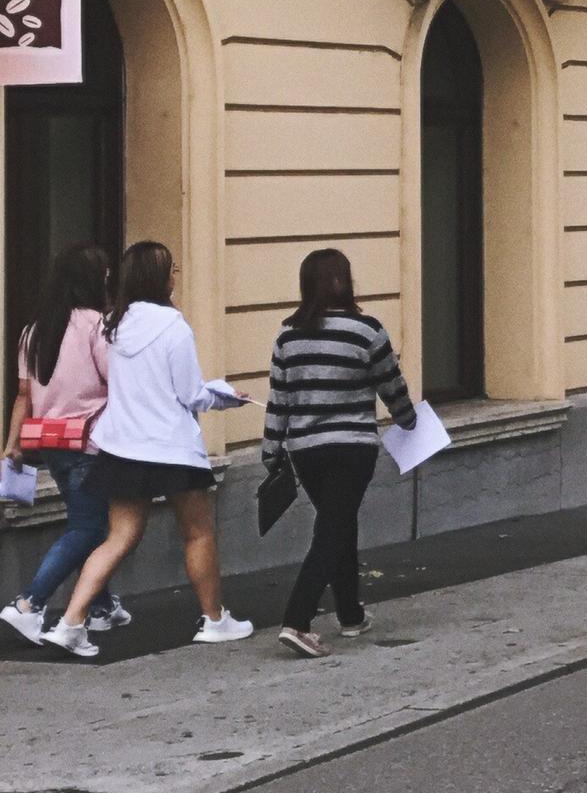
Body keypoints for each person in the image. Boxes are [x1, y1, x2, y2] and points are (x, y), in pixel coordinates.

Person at [44, 243, 251, 656]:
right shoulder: (174, 326)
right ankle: (213, 620)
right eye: (172, 268)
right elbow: (190, 394)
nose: (176, 273)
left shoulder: (114, 325)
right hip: (171, 446)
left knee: (119, 536)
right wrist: (225, 396)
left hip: (122, 445)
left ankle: (71, 621)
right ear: (161, 278)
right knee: (197, 533)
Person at [263, 247, 416, 658]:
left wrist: (270, 450)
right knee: (333, 529)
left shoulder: (287, 336)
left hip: (305, 450)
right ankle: (297, 621)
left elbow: (280, 399)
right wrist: (409, 422)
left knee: (338, 523)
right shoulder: (367, 331)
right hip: (352, 448)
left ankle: (351, 615)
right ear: (344, 282)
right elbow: (393, 386)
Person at [0, 242, 124, 647]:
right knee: (88, 527)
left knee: (89, 524)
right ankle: (29, 604)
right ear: (93, 280)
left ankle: (102, 606)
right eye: (106, 275)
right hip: (89, 442)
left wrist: (11, 444)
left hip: (51, 443)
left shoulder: (34, 330)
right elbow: (116, 382)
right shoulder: (96, 326)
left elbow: (23, 393)